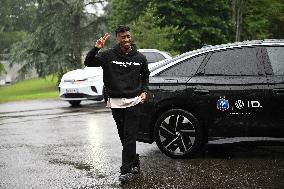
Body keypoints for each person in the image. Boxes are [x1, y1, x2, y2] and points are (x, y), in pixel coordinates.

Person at [84, 25, 150, 183]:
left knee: (129, 136)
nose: (126, 39)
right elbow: (88, 62)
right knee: (123, 136)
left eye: (128, 36)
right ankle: (134, 161)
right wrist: (96, 48)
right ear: (118, 38)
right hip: (115, 102)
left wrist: (144, 92)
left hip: (134, 101)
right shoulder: (108, 55)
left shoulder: (140, 58)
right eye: (123, 37)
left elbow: (145, 76)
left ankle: (125, 171)